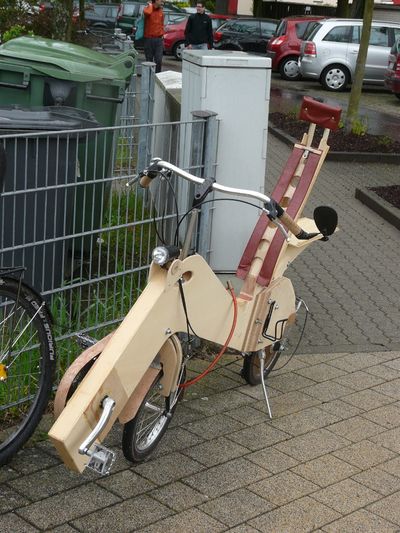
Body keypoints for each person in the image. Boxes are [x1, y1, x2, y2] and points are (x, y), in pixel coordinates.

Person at [143, 0, 164, 73]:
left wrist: (162, 33)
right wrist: (150, 5)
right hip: (149, 39)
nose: (162, 1)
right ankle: (149, 77)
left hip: (159, 39)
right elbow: (147, 13)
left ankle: (157, 76)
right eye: (160, 0)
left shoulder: (161, 11)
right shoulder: (147, 9)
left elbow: (161, 23)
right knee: (149, 61)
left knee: (159, 60)